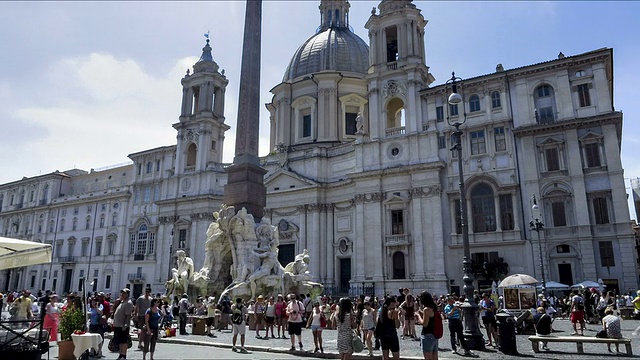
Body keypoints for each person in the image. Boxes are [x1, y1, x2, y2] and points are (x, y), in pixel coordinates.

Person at [416, 291, 439, 360]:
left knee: (428, 358)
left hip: (427, 335)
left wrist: (418, 317)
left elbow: (424, 324)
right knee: (435, 357)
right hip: (434, 335)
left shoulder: (426, 309)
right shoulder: (434, 307)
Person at [113, 288, 134, 360]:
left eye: (124, 293)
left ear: (127, 294)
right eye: (121, 292)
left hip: (122, 325)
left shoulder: (128, 303)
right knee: (120, 341)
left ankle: (124, 355)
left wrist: (125, 325)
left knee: (124, 341)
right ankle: (121, 354)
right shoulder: (122, 302)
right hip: (118, 325)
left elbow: (128, 315)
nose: (122, 294)